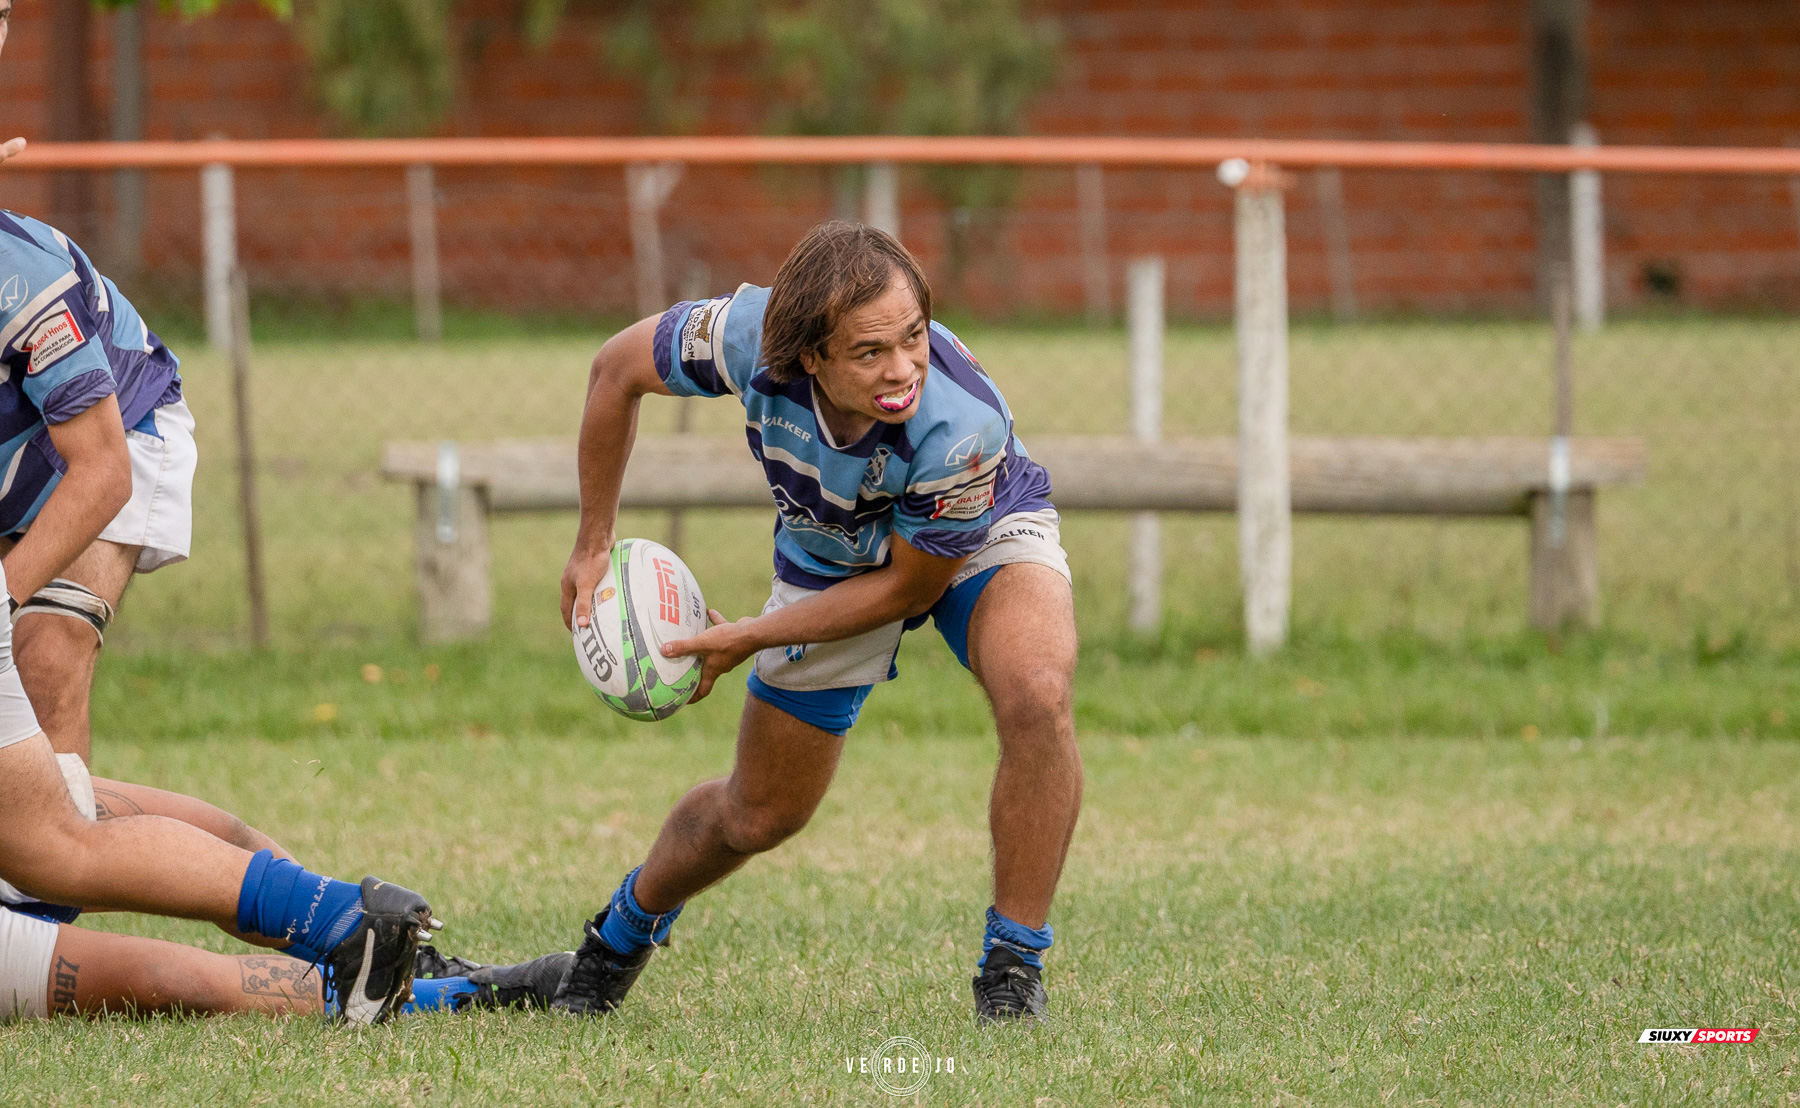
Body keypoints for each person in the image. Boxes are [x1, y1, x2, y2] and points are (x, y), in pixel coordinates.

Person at [555, 222, 1082, 1022]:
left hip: (974, 534)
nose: (904, 367)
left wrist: (743, 637)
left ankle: (1012, 969)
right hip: (829, 554)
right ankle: (616, 941)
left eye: (914, 337)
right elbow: (615, 369)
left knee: (1037, 692)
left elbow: (909, 588)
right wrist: (592, 544)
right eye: (871, 352)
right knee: (758, 814)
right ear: (808, 355)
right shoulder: (746, 336)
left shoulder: (959, 424)